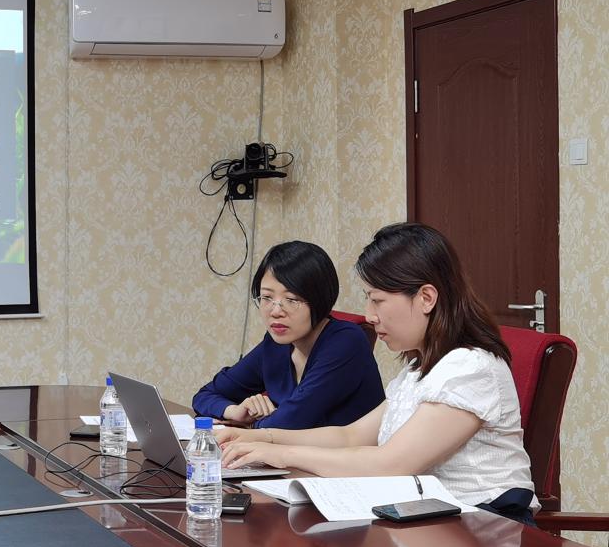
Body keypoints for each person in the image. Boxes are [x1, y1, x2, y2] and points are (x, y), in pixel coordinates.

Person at [218, 223, 539, 524]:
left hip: (484, 527)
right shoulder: (418, 369)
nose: (369, 316)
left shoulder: (470, 368)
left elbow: (391, 464)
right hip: (428, 522)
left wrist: (280, 453)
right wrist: (256, 438)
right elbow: (350, 436)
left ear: (426, 298)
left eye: (377, 300)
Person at [192, 241, 384, 429]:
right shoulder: (276, 344)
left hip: (352, 451)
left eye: (291, 300)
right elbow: (205, 395)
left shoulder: (346, 342)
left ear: (320, 299)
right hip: (285, 451)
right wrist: (234, 411)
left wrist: (251, 425)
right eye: (267, 297)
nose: (275, 311)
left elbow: (291, 422)